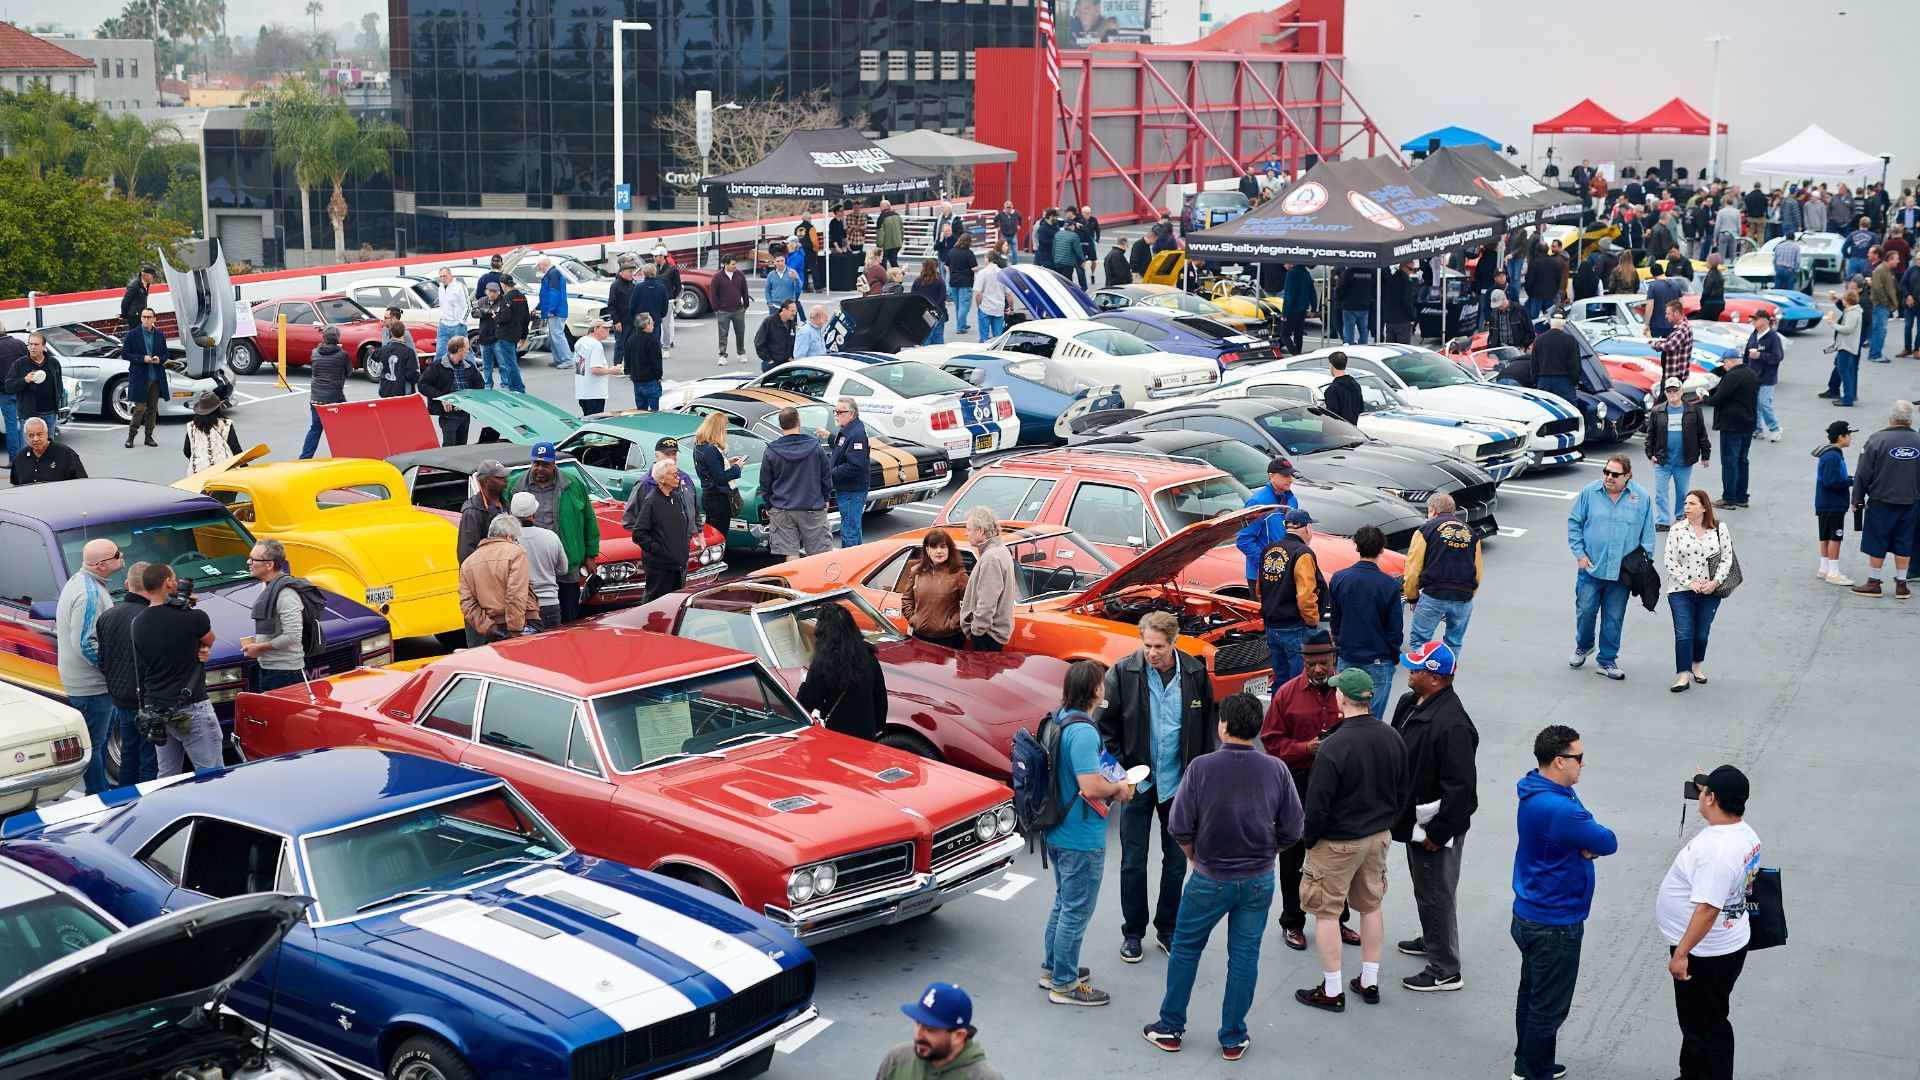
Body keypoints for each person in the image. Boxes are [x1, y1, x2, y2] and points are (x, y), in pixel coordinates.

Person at [1141, 692, 1302, 1060]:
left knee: (1185, 950)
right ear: (1257, 728)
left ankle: (1170, 1027)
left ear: (1223, 725)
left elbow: (1179, 826)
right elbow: (1293, 829)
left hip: (1209, 879)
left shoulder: (1200, 768)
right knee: (1244, 958)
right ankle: (1233, 1037)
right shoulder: (1276, 769)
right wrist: (1267, 853)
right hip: (1259, 881)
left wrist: (1195, 858)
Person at [1092, 611, 1218, 963]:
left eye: (1159, 647)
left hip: (1178, 786)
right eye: (1147, 645)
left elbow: (1207, 732)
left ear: (1174, 642)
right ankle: (1133, 933)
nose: (1151, 653)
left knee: (1176, 861)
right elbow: (1103, 733)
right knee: (1133, 861)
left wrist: (1201, 783)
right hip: (1137, 787)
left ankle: (1168, 928)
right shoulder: (1121, 672)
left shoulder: (1194, 674)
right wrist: (1122, 778)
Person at [1291, 667, 1409, 1014]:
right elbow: (1403, 791)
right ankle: (1369, 981)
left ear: (1342, 698)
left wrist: (1309, 841)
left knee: (1326, 913)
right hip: (1377, 838)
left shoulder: (1333, 746)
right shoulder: (1392, 737)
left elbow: (1317, 804)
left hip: (1337, 843)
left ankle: (1332, 990)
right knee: (1370, 906)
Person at [1511, 725, 1618, 1080]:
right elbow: (1607, 841)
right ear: (1559, 761)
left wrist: (1581, 842)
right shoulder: (1561, 809)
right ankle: (1533, 1072)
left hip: (1530, 912)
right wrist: (1585, 845)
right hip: (1555, 923)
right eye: (1578, 757)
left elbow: (1588, 835)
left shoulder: (1538, 787)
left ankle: (1528, 1063)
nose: (1583, 763)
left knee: (1532, 992)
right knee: (1549, 1005)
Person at [1658, 765, 1761, 1080]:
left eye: (1703, 791)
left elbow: (1707, 909)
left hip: (1705, 954)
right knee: (1700, 1020)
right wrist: (1709, 780)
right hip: (1727, 942)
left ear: (1712, 798)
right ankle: (1691, 1074)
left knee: (1706, 1026)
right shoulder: (1743, 833)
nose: (1699, 795)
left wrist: (1681, 954)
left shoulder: (1716, 852)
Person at [1042, 659, 1133, 1006]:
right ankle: (1063, 984)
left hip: (1058, 830)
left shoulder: (1058, 718)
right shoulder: (1084, 732)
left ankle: (1052, 968)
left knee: (1064, 903)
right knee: (1076, 910)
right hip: (1080, 836)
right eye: (1103, 682)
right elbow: (1092, 787)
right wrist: (1120, 789)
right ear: (1096, 689)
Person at [1389, 641, 1477, 993]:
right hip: (1415, 821)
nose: (1410, 672)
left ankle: (1445, 969)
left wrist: (1437, 834)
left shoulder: (1452, 725)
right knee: (1426, 888)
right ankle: (1433, 937)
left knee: (1435, 892)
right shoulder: (1412, 703)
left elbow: (1461, 790)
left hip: (1433, 828)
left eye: (1417, 668)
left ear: (1437, 679)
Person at [1260, 630, 1355, 951]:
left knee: (1338, 855)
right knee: (1294, 856)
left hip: (1340, 787)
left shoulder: (1347, 691)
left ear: (1334, 659)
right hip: (1297, 784)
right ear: (1302, 661)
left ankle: (1337, 920)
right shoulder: (1286, 694)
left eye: (1324, 662)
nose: (1318, 669)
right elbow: (1271, 742)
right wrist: (1306, 748)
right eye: (1312, 662)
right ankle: (1292, 922)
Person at [1566, 453, 1656, 680]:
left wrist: (1642, 563)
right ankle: (1584, 645)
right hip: (1591, 568)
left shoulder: (1641, 497)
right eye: (1606, 472)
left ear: (1628, 476)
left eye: (1615, 474)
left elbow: (1648, 535)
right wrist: (1580, 555)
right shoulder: (1590, 492)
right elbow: (1575, 523)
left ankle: (1607, 660)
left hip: (1621, 574)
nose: (1609, 477)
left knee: (1613, 617)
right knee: (1585, 611)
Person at [129, 562, 221, 776]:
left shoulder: (137, 622)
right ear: (169, 582)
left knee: (167, 774)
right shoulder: (193, 618)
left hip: (157, 708)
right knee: (211, 774)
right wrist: (188, 609)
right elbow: (209, 639)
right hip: (192, 706)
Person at [508, 442, 599, 623]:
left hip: (566, 564)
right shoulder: (515, 484)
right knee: (531, 623)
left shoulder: (572, 484)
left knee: (568, 619)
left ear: (554, 464)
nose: (540, 468)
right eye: (536, 464)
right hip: (529, 566)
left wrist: (590, 554)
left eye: (545, 465)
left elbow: (589, 519)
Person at [56, 538, 119, 794]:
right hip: (91, 686)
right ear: (102, 565)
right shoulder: (89, 594)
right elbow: (85, 643)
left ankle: (101, 789)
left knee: (99, 742)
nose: (122, 556)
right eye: (118, 554)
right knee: (93, 744)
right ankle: (97, 794)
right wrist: (112, 671)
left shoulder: (84, 583)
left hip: (91, 684)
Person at [1326, 525, 1402, 718]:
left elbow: (1335, 620)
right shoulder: (1389, 585)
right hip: (1378, 658)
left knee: (1344, 714)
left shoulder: (1339, 578)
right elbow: (1394, 628)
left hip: (1347, 655)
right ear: (1382, 549)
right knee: (1373, 718)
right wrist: (1393, 655)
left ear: (1357, 547)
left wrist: (1339, 644)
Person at [1848, 400, 1920, 598]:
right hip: (1910, 502)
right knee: (1904, 542)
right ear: (1911, 420)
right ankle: (1902, 585)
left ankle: (1873, 582)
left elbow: (1862, 473)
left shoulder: (1877, 440)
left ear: (1891, 418)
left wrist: (1857, 499)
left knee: (1877, 541)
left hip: (1881, 502)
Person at [1664, 491, 1733, 692]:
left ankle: (1696, 665)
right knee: (1684, 632)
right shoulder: (1677, 529)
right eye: (1685, 503)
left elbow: (1726, 559)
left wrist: (1715, 582)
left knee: (1701, 634)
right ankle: (1683, 674)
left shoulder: (1720, 529)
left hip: (1709, 591)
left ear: (1704, 508)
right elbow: (1670, 560)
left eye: (1692, 503)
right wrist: (1688, 581)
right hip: (1680, 590)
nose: (1687, 507)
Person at [95, 560, 156, 788]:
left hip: (120, 696)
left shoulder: (107, 616)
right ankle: (149, 796)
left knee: (128, 753)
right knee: (150, 756)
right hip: (147, 697)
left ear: (127, 583)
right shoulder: (150, 617)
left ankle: (127, 799)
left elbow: (102, 660)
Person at [1402, 493, 1480, 654]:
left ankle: (1422, 677)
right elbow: (1477, 571)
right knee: (1454, 643)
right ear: (1453, 511)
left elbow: (1413, 568)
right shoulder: (1471, 533)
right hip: (1463, 597)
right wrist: (1467, 596)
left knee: (1420, 641)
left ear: (1432, 511)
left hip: (1434, 594)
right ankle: (1446, 677)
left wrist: (1412, 597)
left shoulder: (1425, 530)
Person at [796, 602, 886, 740]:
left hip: (835, 736)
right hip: (865, 735)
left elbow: (807, 701)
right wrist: (878, 727)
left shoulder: (823, 661)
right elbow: (880, 698)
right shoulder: (869, 657)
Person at [878, 981, 1004, 1080]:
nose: (918, 1036)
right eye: (917, 1024)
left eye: (930, 1029)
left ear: (958, 1036)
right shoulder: (897, 1058)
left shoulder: (984, 1077)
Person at [1257, 508, 1324, 684]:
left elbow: (1259, 589)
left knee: (1280, 679)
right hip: (1294, 626)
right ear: (1308, 528)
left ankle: (1278, 711)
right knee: (1299, 682)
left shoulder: (1268, 549)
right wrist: (1312, 621)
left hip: (1271, 626)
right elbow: (1305, 596)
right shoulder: (1302, 553)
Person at [758, 405, 833, 561]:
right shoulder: (815, 447)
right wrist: (826, 498)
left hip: (782, 508)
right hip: (812, 506)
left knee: (790, 552)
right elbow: (826, 476)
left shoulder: (772, 450)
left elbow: (765, 482)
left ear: (781, 424)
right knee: (819, 554)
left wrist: (769, 505)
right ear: (799, 421)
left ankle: (794, 585)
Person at [624, 458, 699, 602]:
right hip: (660, 566)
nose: (678, 478)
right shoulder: (651, 501)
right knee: (657, 604)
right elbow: (639, 533)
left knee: (675, 603)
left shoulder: (675, 497)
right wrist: (659, 549)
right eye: (674, 475)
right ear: (662, 479)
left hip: (677, 564)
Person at [459, 514, 536, 645]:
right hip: (520, 624)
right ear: (510, 537)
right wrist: (514, 631)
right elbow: (516, 594)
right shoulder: (516, 552)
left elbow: (467, 603)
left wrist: (489, 628)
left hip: (491, 630)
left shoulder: (467, 563)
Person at [1645, 378, 1712, 527]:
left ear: (1681, 391)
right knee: (1660, 493)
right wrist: (1650, 454)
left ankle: (1680, 518)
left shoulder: (1693, 410)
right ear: (1665, 393)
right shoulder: (1657, 411)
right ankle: (1662, 521)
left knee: (1682, 493)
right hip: (1663, 461)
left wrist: (1705, 455)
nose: (1672, 393)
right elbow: (1650, 436)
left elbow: (1702, 434)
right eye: (1669, 391)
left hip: (1684, 461)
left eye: (1675, 390)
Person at [1703, 349, 1758, 510]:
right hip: (1748, 424)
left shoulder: (1732, 377)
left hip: (1731, 426)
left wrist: (1705, 397)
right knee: (1742, 461)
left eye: (1724, 362)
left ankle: (1729, 498)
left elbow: (1717, 399)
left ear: (1730, 361)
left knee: (1729, 462)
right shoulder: (1751, 374)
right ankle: (1742, 497)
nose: (1723, 366)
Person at [899, 526, 968, 647]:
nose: (939, 551)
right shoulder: (917, 571)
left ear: (949, 549)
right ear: (927, 550)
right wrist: (914, 620)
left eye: (943, 546)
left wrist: (952, 624)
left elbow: (971, 603)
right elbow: (907, 599)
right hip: (920, 636)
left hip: (950, 639)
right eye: (934, 547)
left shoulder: (958, 574)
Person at [958, 506, 1014, 652]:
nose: (966, 534)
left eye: (969, 529)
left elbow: (987, 602)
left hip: (987, 635)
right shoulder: (1000, 550)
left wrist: (976, 630)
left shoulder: (990, 557)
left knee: (983, 673)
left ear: (980, 531)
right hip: (991, 634)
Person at [508, 492, 566, 630]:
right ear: (535, 514)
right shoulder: (551, 537)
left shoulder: (507, 541)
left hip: (520, 607)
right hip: (550, 604)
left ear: (511, 514)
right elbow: (563, 569)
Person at [823, 397, 874, 547]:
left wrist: (831, 472)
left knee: (849, 532)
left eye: (840, 412)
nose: (836, 415)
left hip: (852, 491)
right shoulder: (849, 429)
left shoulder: (856, 433)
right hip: (848, 489)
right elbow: (842, 445)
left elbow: (856, 465)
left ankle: (851, 566)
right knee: (853, 529)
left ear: (851, 414)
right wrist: (829, 436)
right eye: (835, 411)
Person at [298, 325, 350, 460]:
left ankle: (305, 458)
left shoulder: (314, 352)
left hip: (316, 398)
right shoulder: (342, 355)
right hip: (335, 398)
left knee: (315, 429)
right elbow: (349, 371)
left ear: (324, 338)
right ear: (337, 338)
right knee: (340, 429)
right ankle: (341, 456)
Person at [691, 412, 745, 543]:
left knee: (711, 536)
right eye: (724, 428)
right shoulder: (711, 449)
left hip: (709, 496)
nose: (725, 431)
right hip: (719, 499)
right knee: (719, 539)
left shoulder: (699, 446)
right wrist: (737, 468)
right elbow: (720, 478)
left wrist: (728, 461)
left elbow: (711, 468)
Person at [420, 336, 482, 447]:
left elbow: (480, 386)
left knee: (462, 447)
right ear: (459, 350)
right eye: (466, 348)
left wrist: (468, 400)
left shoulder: (469, 366)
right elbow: (423, 385)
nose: (468, 351)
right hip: (448, 415)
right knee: (449, 447)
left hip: (464, 413)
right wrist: (443, 398)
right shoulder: (437, 366)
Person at [120, 307, 168, 448]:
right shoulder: (133, 334)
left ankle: (148, 436)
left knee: (152, 409)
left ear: (154, 319)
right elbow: (125, 354)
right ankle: (131, 436)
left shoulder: (159, 335)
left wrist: (159, 359)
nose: (146, 320)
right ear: (141, 318)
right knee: (139, 408)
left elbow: (165, 354)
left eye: (149, 317)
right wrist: (143, 358)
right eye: (144, 317)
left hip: (156, 377)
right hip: (140, 377)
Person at [1816, 420, 1857, 585]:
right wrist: (1852, 481)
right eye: (1849, 435)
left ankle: (1824, 567)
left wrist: (1848, 479)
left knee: (1825, 536)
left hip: (1824, 503)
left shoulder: (1829, 454)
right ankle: (1833, 573)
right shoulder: (1833, 456)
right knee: (1835, 537)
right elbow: (1831, 481)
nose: (1850, 438)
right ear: (1841, 437)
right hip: (1833, 504)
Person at [7, 330, 63, 436]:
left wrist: (57, 403)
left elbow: (59, 385)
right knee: (28, 448)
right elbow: (9, 386)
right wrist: (25, 380)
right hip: (29, 415)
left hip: (49, 413)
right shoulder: (20, 364)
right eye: (30, 344)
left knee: (47, 447)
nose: (32, 347)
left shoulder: (53, 363)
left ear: (43, 346)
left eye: (36, 344)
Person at [456, 460, 511, 563]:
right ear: (486, 481)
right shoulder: (472, 512)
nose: (505, 480)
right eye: (500, 478)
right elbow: (466, 555)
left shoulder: (506, 504)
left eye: (505, 477)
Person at [1743, 311, 1785, 442]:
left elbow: (1778, 357)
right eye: (1753, 319)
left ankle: (1775, 429)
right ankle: (1757, 430)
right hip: (1752, 377)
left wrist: (1761, 356)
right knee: (1753, 404)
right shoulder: (1754, 335)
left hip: (1767, 378)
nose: (1753, 321)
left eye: (1756, 319)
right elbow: (1746, 354)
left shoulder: (1773, 337)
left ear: (1766, 320)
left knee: (1764, 403)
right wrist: (1744, 369)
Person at [10, 417, 85, 486]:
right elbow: (16, 486)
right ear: (26, 437)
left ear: (47, 433)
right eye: (31, 436)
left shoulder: (66, 454)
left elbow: (82, 483)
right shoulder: (20, 458)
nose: (36, 439)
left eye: (39, 434)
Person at [1822, 286, 1864, 406]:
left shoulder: (1851, 313)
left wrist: (1832, 324)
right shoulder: (1855, 312)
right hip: (1848, 345)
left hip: (1846, 346)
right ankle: (1848, 396)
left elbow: (1847, 329)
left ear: (1847, 300)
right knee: (1847, 371)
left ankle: (1847, 398)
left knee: (1844, 372)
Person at [1529, 313, 1581, 407]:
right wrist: (1575, 381)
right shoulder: (1570, 340)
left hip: (1543, 380)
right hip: (1563, 381)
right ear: (1564, 323)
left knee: (1544, 408)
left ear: (1550, 323)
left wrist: (1534, 381)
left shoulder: (1539, 339)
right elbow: (1575, 365)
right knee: (1569, 408)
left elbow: (1534, 363)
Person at [534, 257, 574, 369]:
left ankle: (567, 360)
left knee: (557, 336)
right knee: (555, 336)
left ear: (543, 264)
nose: (538, 267)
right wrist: (539, 307)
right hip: (557, 310)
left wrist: (551, 310)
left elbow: (554, 293)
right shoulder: (553, 273)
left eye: (539, 265)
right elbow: (549, 294)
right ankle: (559, 359)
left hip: (555, 311)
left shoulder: (551, 274)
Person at [712, 255, 750, 367]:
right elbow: (713, 294)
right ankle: (722, 355)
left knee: (740, 332)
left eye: (735, 264)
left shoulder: (740, 275)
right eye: (733, 264)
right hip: (723, 311)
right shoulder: (717, 277)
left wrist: (745, 305)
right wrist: (716, 309)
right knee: (723, 334)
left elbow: (745, 290)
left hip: (738, 310)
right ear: (726, 264)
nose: (735, 266)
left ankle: (741, 353)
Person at [375, 310, 423, 398]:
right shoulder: (408, 352)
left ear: (391, 333)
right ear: (403, 333)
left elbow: (375, 356)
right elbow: (410, 374)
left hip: (386, 389)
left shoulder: (384, 349)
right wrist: (418, 375)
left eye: (386, 318)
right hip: (402, 391)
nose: (383, 320)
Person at [573, 319, 614, 415]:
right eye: (605, 328)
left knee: (586, 418)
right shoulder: (596, 345)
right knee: (595, 421)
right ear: (595, 329)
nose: (608, 331)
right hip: (595, 392)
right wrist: (612, 371)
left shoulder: (580, 341)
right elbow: (595, 369)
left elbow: (581, 366)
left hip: (582, 390)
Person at [1651, 298, 1695, 390]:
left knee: (1664, 400)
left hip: (1675, 373)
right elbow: (1674, 342)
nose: (1666, 316)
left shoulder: (1682, 328)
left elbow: (1671, 345)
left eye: (1668, 314)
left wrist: (1656, 345)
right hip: (1673, 372)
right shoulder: (1681, 327)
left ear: (1676, 313)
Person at [1867, 245, 1899, 362]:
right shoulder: (1881, 270)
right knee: (1880, 331)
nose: (1898, 261)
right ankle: (1876, 355)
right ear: (1890, 259)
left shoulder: (1884, 270)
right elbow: (1877, 289)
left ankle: (1874, 353)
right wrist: (1886, 302)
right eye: (1896, 259)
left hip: (1882, 305)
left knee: (1878, 330)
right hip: (1881, 306)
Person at [627, 313, 663, 410]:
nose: (653, 324)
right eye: (651, 322)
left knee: (641, 411)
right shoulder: (651, 341)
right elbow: (656, 362)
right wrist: (658, 376)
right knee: (656, 411)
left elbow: (627, 360)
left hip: (637, 381)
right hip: (650, 381)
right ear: (646, 325)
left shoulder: (630, 340)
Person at [1280, 262, 1316, 354]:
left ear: (1291, 264)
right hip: (1303, 308)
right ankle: (1298, 352)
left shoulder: (1291, 274)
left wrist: (1284, 313)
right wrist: (1313, 308)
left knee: (1284, 335)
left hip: (1292, 309)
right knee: (1298, 334)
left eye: (1285, 264)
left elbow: (1288, 295)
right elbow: (1312, 291)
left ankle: (1294, 353)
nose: (1284, 266)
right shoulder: (1306, 273)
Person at [912, 259, 950, 345]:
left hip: (924, 311)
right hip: (938, 310)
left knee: (926, 335)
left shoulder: (918, 281)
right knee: (938, 334)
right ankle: (938, 353)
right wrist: (934, 306)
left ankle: (926, 354)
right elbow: (943, 296)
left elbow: (913, 296)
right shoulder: (939, 280)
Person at [946, 233, 978, 334]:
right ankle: (960, 327)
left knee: (958, 306)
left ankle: (962, 324)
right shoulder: (969, 253)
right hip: (966, 281)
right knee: (965, 305)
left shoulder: (952, 251)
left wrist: (950, 275)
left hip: (954, 281)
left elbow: (946, 265)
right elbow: (974, 268)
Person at [1381, 262, 1419, 343]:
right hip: (1403, 320)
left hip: (1390, 319)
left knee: (1391, 349)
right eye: (1411, 269)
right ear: (1404, 267)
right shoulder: (1405, 281)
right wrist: (1412, 317)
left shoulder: (1390, 279)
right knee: (1403, 348)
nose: (1411, 272)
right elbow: (1407, 301)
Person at [1335, 265, 1375, 343]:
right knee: (1364, 330)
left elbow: (1340, 287)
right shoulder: (1369, 272)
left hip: (1349, 305)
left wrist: (1339, 300)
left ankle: (1349, 347)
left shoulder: (1348, 272)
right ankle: (1363, 346)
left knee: (1348, 330)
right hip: (1364, 305)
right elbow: (1374, 288)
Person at [1322, 351, 1363, 426]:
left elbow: (1331, 416)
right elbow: (1361, 408)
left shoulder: (1332, 390)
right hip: (1353, 429)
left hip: (1337, 432)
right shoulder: (1356, 385)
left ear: (1331, 366)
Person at [755, 299, 798, 372]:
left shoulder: (791, 322)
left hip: (787, 362)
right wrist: (769, 359)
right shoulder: (769, 321)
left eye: (795, 311)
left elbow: (792, 341)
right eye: (792, 311)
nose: (795, 313)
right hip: (772, 364)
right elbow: (759, 342)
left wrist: (790, 356)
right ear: (784, 310)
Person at [974, 254, 1008, 342]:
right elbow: (1008, 294)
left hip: (985, 307)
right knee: (998, 338)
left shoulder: (982, 273)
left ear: (988, 259)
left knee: (983, 337)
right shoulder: (1003, 274)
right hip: (999, 308)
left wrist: (978, 304)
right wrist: (1011, 307)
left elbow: (978, 293)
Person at [877, 200, 905, 268]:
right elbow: (902, 230)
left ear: (883, 207)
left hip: (886, 245)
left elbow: (880, 233)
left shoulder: (882, 218)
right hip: (897, 244)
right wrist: (901, 241)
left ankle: (884, 278)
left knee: (883, 263)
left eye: (880, 206)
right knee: (893, 261)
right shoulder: (897, 216)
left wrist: (879, 245)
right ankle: (897, 276)